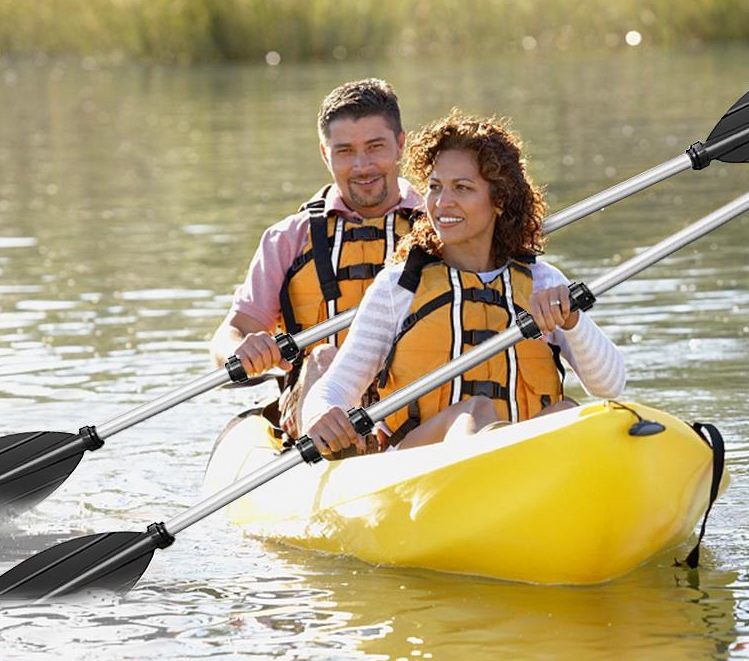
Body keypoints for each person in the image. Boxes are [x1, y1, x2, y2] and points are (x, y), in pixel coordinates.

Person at [300, 110, 625, 458]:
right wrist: (321, 414)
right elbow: (334, 389)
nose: (442, 203)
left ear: (498, 200)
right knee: (476, 410)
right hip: (420, 468)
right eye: (435, 187)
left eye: (463, 188)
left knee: (568, 410)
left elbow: (611, 386)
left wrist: (572, 322)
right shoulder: (399, 286)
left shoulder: (542, 281)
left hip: (528, 468)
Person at [209, 79, 424, 437]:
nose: (362, 165)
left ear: (401, 144)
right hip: (317, 407)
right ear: (325, 154)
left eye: (375, 147)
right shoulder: (287, 239)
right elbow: (228, 337)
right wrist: (241, 348)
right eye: (344, 151)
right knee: (324, 357)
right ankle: (336, 454)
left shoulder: (440, 226)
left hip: (416, 398)